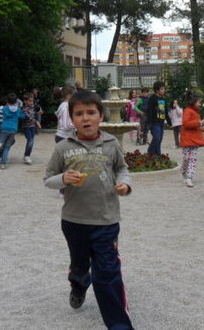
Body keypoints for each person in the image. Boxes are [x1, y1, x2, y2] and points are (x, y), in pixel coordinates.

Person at [44, 91, 134, 330]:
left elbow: (122, 169)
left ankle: (119, 325)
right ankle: (78, 284)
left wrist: (125, 184)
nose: (86, 118)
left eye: (91, 113)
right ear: (71, 119)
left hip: (106, 221)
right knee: (80, 265)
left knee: (107, 273)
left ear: (100, 116)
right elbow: (48, 179)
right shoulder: (63, 147)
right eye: (79, 114)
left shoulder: (111, 143)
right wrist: (63, 178)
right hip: (74, 222)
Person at [0, 93, 27, 170]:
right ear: (16, 102)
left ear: (7, 101)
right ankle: (3, 164)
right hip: (13, 129)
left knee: (1, 143)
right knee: (7, 147)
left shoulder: (4, 109)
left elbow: (3, 113)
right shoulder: (18, 110)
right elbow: (23, 116)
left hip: (4, 128)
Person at [180, 92, 204, 187]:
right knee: (187, 158)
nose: (200, 104)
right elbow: (186, 123)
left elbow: (195, 125)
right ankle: (184, 171)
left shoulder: (195, 112)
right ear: (193, 101)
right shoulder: (187, 111)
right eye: (199, 102)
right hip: (187, 139)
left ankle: (189, 177)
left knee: (192, 159)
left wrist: (202, 126)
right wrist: (198, 123)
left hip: (194, 139)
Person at [146, 81, 172, 155]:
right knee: (156, 138)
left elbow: (165, 111)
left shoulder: (163, 99)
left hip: (161, 122)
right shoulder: (152, 98)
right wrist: (150, 123)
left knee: (159, 139)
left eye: (164, 89)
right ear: (157, 90)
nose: (164, 91)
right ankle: (150, 152)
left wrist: (169, 122)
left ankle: (157, 154)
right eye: (162, 89)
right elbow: (149, 110)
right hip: (154, 122)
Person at [22, 92, 41, 165]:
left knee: (31, 141)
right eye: (30, 101)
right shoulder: (24, 109)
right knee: (30, 141)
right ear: (25, 101)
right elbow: (28, 117)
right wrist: (36, 122)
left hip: (32, 127)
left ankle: (26, 155)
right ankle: (27, 156)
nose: (31, 102)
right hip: (26, 127)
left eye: (32, 101)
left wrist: (39, 111)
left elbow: (38, 112)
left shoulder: (33, 107)